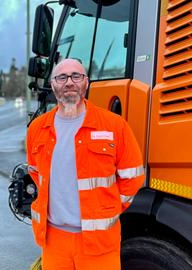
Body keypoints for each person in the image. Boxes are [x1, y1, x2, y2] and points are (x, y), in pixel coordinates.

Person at [26, 59, 144, 270]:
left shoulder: (114, 126)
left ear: (86, 83)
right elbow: (36, 174)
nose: (69, 82)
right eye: (62, 77)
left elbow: (133, 178)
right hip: (54, 241)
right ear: (53, 85)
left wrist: (108, 209)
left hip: (99, 243)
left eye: (76, 76)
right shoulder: (37, 129)